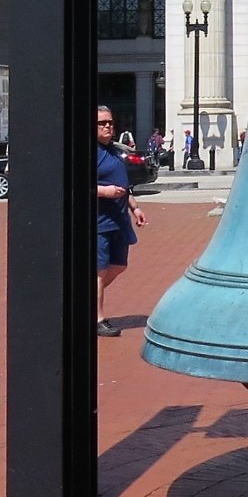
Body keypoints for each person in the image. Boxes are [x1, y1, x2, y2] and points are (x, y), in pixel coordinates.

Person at [94, 107, 145, 337]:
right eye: (102, 123)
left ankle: (85, 301)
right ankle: (98, 319)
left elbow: (124, 185)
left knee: (119, 266)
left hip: (119, 220)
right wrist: (103, 191)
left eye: (110, 123)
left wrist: (135, 207)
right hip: (99, 222)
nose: (107, 127)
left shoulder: (114, 151)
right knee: (99, 270)